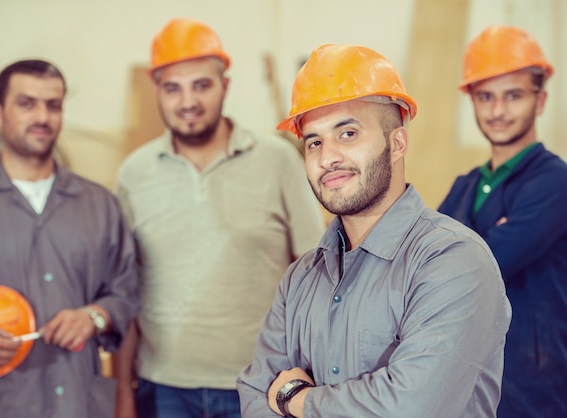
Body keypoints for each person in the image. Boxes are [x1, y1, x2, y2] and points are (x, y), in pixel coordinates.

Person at [236, 44, 512, 418]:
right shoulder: (299, 279)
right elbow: (254, 394)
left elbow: (409, 407)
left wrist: (295, 400)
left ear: (397, 143)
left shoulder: (455, 262)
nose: (327, 156)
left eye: (347, 133)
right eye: (313, 141)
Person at [113, 18, 325, 418]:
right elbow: (124, 288)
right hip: (163, 387)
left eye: (201, 85)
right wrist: (123, 393)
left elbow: (313, 271)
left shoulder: (277, 160)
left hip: (260, 383)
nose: (187, 101)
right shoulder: (133, 173)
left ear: (225, 85)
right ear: (155, 90)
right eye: (172, 88)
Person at [0, 59, 140, 418]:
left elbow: (126, 292)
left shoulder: (100, 204)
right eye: (27, 103)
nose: (42, 117)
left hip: (78, 404)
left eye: (53, 105)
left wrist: (95, 317)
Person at [438, 25, 567, 417]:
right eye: (485, 97)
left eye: (513, 96)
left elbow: (484, 265)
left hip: (532, 384)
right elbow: (424, 267)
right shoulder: (465, 186)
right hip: (467, 384)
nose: (497, 111)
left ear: (540, 100)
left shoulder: (555, 182)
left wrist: (461, 251)